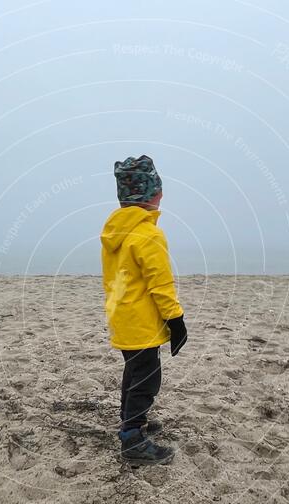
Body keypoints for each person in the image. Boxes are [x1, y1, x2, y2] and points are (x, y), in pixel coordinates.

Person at [100, 155, 187, 466]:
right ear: (153, 195)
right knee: (147, 379)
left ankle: (130, 421)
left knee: (134, 373)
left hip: (121, 320)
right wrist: (176, 321)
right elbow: (160, 285)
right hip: (142, 324)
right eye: (159, 190)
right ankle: (133, 438)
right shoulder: (148, 235)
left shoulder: (115, 233)